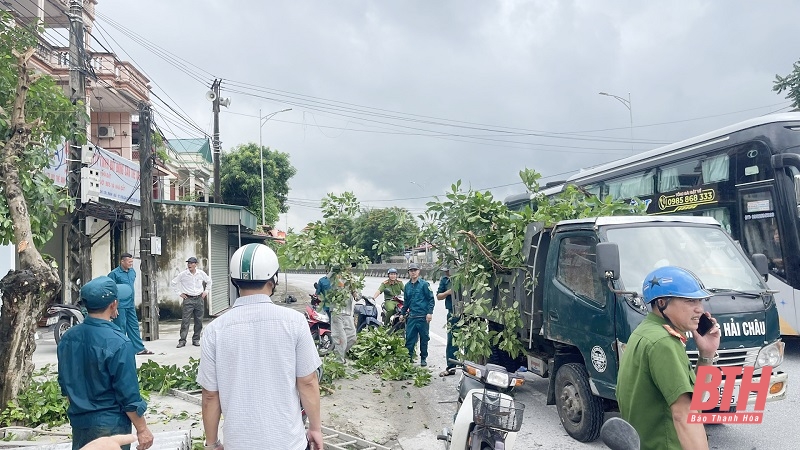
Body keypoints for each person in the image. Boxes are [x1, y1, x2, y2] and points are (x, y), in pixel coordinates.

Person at [197, 243, 323, 450]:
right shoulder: (294, 322)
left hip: (239, 444)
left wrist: (212, 443)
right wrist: (315, 429)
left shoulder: (214, 330)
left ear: (233, 280)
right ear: (273, 279)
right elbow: (308, 382)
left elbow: (210, 395)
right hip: (288, 442)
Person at [616, 266, 721, 450]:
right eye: (690, 301)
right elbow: (684, 414)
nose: (700, 309)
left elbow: (696, 400)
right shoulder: (664, 342)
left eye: (700, 300)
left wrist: (707, 354)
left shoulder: (646, 331)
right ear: (662, 303)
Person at [57, 276, 154, 450]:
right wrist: (142, 429)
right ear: (114, 305)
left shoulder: (68, 338)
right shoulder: (119, 343)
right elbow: (128, 395)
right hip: (111, 426)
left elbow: (65, 384)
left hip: (80, 423)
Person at [108, 253, 151, 355]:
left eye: (132, 261)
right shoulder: (114, 274)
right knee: (120, 327)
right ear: (122, 261)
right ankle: (120, 350)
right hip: (120, 305)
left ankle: (139, 348)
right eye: (129, 261)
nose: (131, 263)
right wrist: (113, 307)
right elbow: (110, 290)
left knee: (134, 326)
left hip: (130, 304)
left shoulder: (132, 272)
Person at [170, 256, 212, 348]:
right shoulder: (183, 274)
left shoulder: (200, 273)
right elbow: (173, 283)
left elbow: (209, 281)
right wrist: (179, 293)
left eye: (191, 263)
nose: (189, 265)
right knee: (185, 321)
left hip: (199, 298)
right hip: (188, 299)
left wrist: (206, 291)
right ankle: (182, 340)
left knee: (199, 321)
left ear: (195, 264)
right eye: (188, 263)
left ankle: (196, 340)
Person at [400, 263, 435, 366]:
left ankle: (423, 358)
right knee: (410, 339)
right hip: (411, 317)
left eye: (415, 270)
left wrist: (429, 313)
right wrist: (402, 314)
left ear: (419, 271)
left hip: (423, 317)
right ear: (409, 272)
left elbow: (431, 300)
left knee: (424, 339)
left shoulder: (424, 284)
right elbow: (406, 302)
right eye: (411, 270)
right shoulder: (407, 286)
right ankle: (408, 358)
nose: (413, 272)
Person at [325, 266, 357, 363]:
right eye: (347, 265)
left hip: (347, 313)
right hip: (336, 311)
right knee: (340, 338)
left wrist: (355, 292)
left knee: (352, 338)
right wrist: (336, 266)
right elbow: (328, 277)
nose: (349, 267)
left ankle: (339, 355)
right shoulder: (335, 276)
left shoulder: (352, 279)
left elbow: (357, 296)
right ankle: (339, 361)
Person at [436, 266, 458, 377]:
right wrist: (448, 292)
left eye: (448, 271)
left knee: (470, 341)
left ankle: (471, 367)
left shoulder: (463, 278)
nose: (446, 273)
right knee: (452, 340)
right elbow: (439, 296)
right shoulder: (444, 280)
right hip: (452, 313)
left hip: (466, 313)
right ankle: (451, 367)